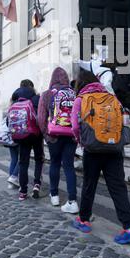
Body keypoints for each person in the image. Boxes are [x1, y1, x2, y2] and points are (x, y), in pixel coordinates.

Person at [71, 69, 130, 245]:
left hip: (92, 149)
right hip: (114, 149)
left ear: (80, 83)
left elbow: (74, 126)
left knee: (89, 185)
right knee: (118, 187)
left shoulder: (81, 99)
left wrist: (81, 141)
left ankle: (84, 220)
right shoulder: (111, 97)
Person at [38, 67, 78, 214]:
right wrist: (76, 135)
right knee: (69, 166)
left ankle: (54, 195)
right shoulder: (74, 93)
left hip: (54, 135)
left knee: (54, 163)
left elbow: (41, 118)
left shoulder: (47, 94)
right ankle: (72, 201)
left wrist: (46, 135)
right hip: (71, 135)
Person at [11, 79, 44, 201]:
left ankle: (23, 192)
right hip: (36, 134)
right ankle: (36, 185)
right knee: (38, 159)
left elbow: (10, 120)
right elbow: (41, 117)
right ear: (32, 87)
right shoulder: (36, 98)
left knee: (23, 162)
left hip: (21, 135)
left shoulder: (15, 99)